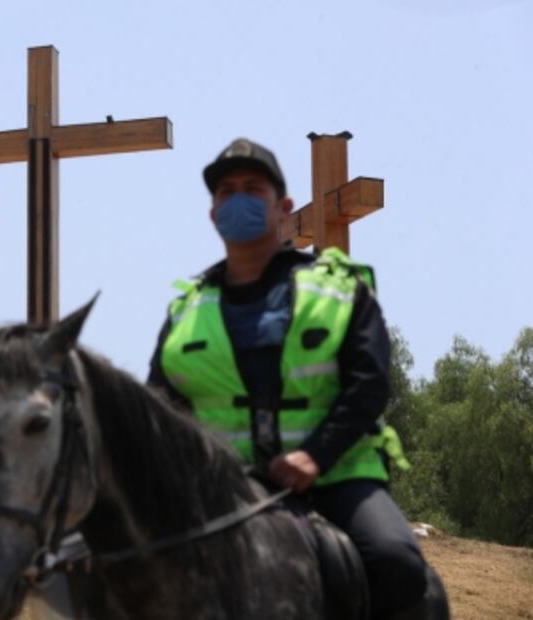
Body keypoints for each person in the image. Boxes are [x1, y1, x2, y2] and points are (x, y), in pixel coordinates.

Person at [147, 138, 431, 618]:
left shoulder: (340, 291)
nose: (237, 199)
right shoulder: (186, 310)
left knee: (396, 561)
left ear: (283, 207)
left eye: (252, 189)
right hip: (223, 488)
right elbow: (158, 408)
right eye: (226, 192)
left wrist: (314, 456)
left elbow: (369, 383)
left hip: (338, 476)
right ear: (213, 214)